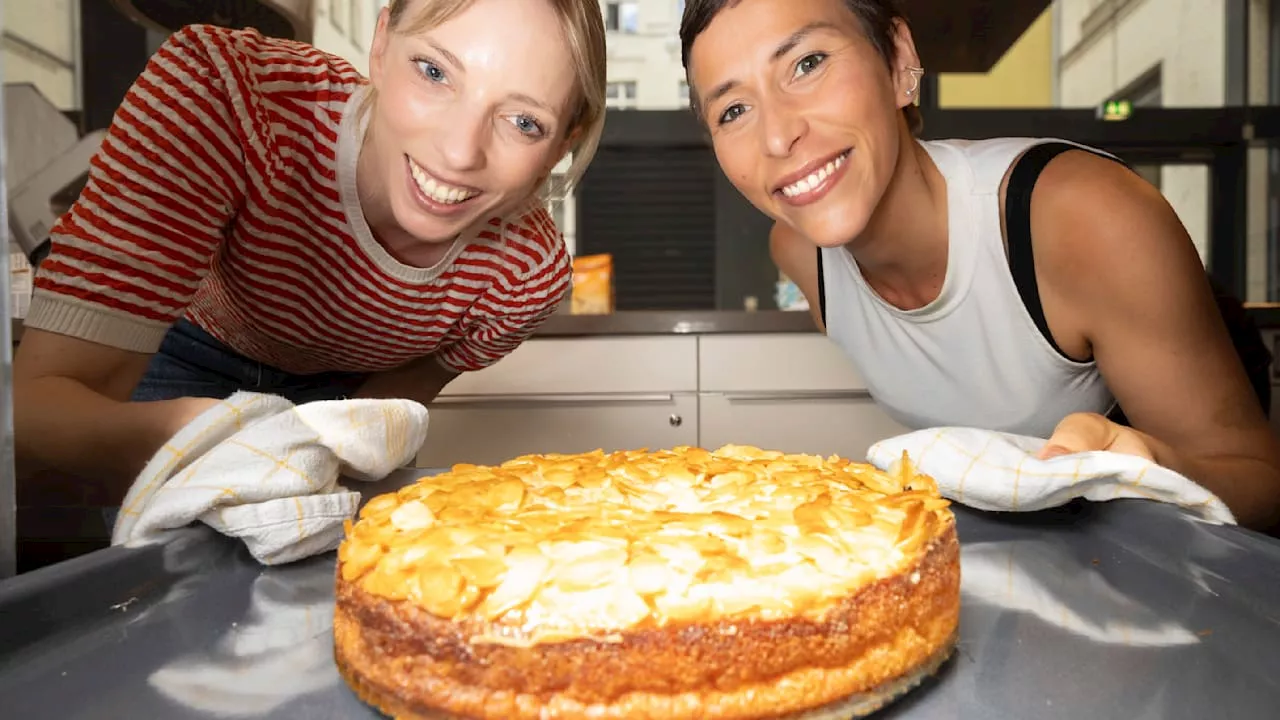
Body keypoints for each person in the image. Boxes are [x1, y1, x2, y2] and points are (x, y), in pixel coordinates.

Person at [678, 0, 1280, 530]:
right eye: (733, 110)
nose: (779, 136)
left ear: (897, 59)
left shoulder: (1082, 215)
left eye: (807, 63)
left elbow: (1262, 489)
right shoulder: (799, 254)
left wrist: (1139, 464)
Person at [13, 0, 606, 497]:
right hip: (182, 354)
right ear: (380, 43)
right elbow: (41, 410)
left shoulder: (525, 276)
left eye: (524, 122)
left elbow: (397, 399)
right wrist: (237, 439)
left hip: (340, 391)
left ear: (562, 145)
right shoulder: (228, 94)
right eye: (433, 71)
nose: (458, 153)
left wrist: (325, 457)